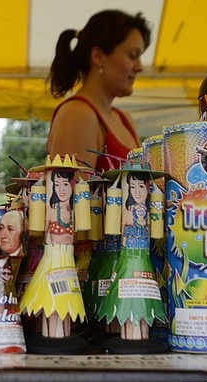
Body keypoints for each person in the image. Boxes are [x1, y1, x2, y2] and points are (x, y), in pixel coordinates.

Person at [47, 10, 151, 171]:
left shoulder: (124, 118)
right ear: (98, 57)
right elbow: (70, 193)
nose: (139, 67)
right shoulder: (77, 114)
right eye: (132, 55)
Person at [46, 170, 75, 245]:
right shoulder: (51, 210)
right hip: (54, 253)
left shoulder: (76, 211)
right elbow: (45, 235)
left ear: (72, 185)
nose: (61, 189)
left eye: (65, 184)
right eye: (57, 185)